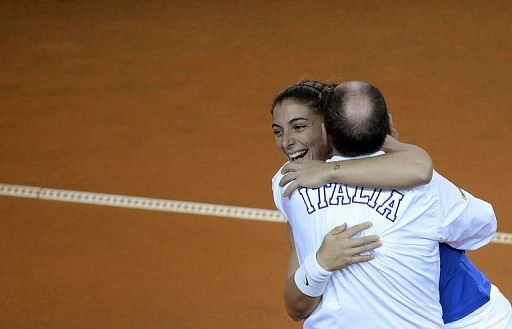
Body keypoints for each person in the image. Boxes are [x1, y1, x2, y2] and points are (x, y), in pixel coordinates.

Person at [274, 81, 512, 328]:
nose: (288, 142)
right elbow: (481, 227)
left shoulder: (288, 184)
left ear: (325, 131)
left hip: (465, 315)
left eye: (300, 127)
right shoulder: (419, 181)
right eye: (278, 131)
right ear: (386, 126)